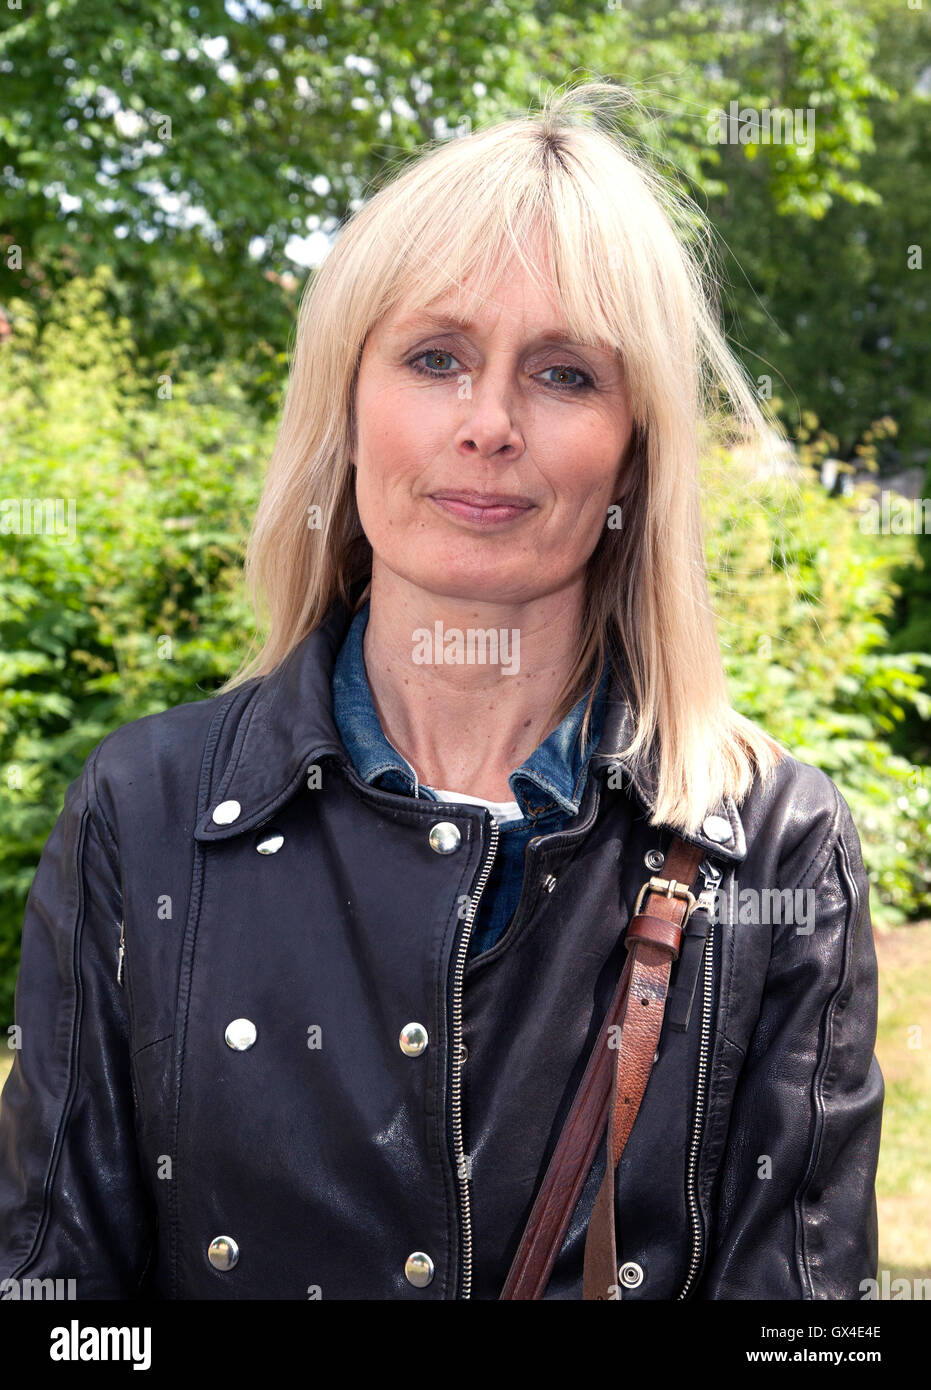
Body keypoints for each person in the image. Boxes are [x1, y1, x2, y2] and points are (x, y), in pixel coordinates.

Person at [0, 81, 882, 1300]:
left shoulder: (773, 846)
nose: (489, 423)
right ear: (348, 408)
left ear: (635, 447)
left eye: (566, 373)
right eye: (435, 357)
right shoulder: (141, 810)